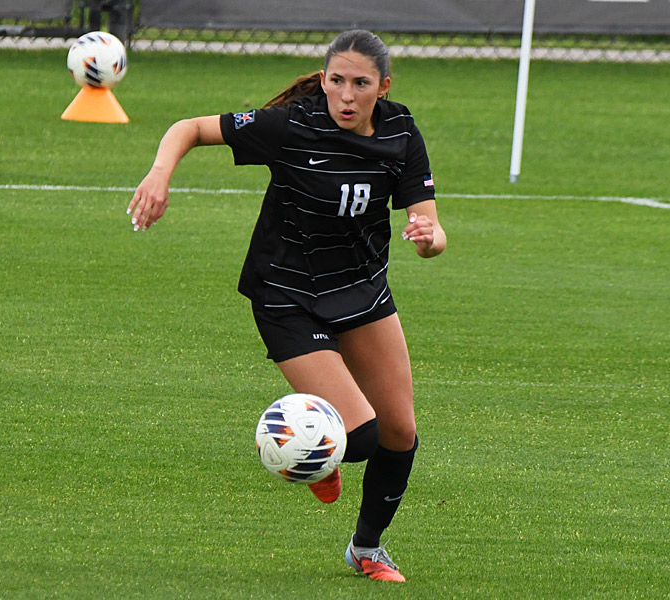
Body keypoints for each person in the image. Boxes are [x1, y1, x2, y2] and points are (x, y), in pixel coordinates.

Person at [128, 29, 445, 583]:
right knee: (361, 437)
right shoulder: (292, 126)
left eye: (361, 84)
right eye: (337, 81)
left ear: (383, 87)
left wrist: (428, 236)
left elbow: (431, 224)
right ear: (323, 80)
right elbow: (191, 128)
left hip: (362, 291)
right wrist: (159, 174)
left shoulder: (400, 129)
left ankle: (366, 548)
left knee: (399, 433)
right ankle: (308, 451)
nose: (346, 95)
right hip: (287, 295)